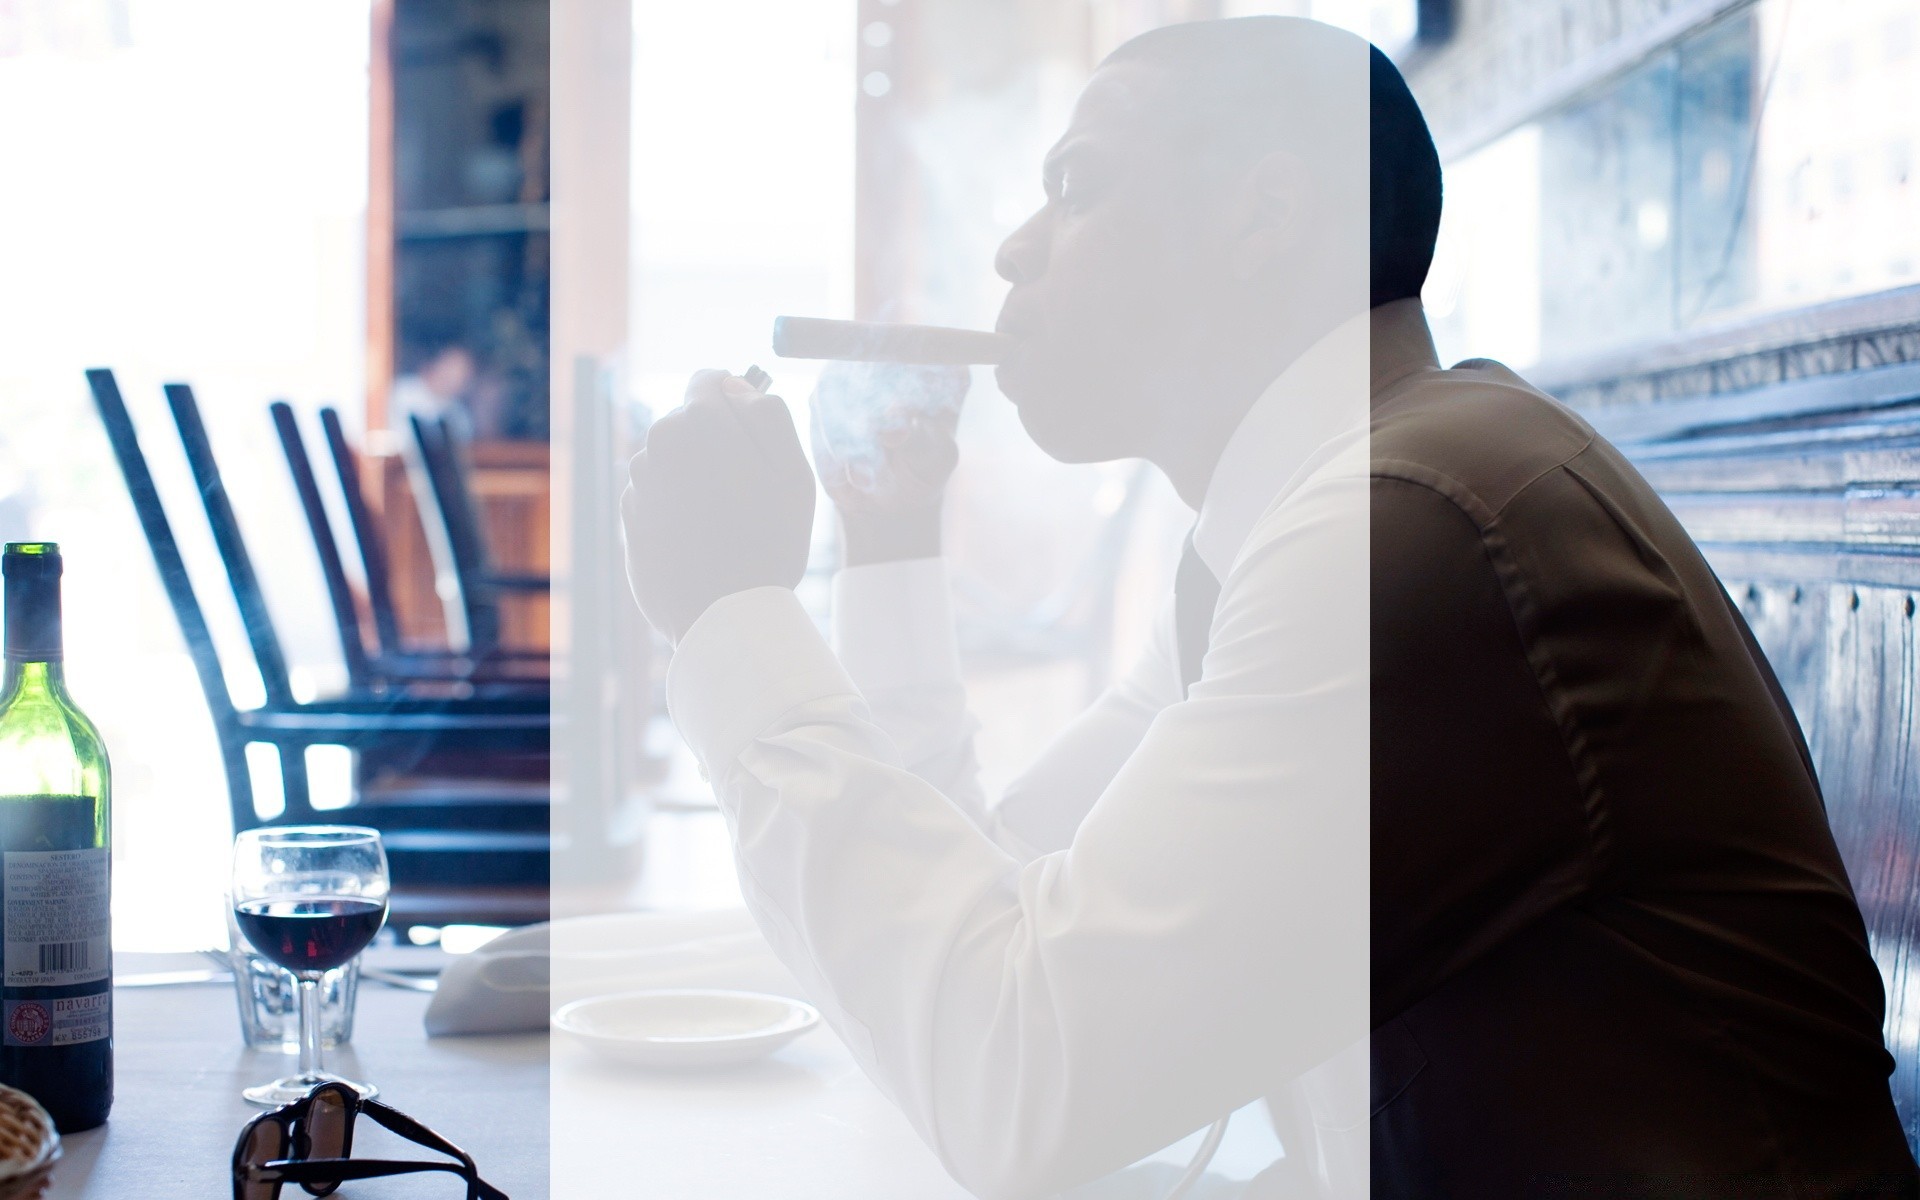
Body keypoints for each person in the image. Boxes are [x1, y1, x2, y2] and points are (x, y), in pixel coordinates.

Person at [622, 16, 1919, 1198]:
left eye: (1076, 187)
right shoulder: (1306, 528)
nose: (1016, 248)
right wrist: (892, 544)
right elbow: (985, 907)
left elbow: (1017, 1069)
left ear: (1264, 219)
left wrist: (735, 615)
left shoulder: (1420, 530)